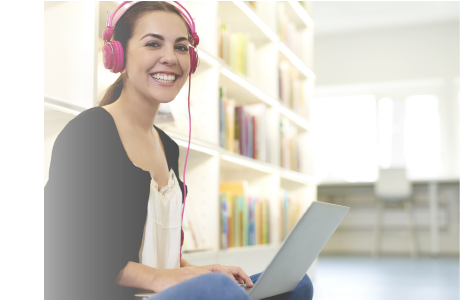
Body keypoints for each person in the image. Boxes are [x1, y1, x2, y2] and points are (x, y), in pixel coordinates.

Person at [45, 2, 313, 300]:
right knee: (219, 291)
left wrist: (196, 270)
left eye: (181, 47)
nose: (170, 58)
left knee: (297, 283)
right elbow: (65, 249)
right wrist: (166, 279)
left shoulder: (167, 146)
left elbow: (151, 251)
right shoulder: (90, 133)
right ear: (117, 54)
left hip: (152, 292)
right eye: (153, 43)